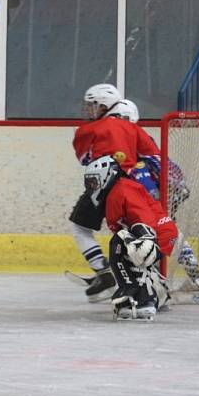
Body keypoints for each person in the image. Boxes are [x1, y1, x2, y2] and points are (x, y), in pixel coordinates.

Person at [68, 84, 161, 302]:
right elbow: (154, 157)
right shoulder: (134, 129)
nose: (89, 110)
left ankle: (103, 271)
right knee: (134, 234)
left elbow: (85, 160)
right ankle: (152, 283)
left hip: (99, 187)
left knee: (81, 228)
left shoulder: (87, 130)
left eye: (93, 105)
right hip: (129, 189)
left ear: (104, 106)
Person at [108, 99, 199, 290]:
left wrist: (176, 190)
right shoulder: (119, 148)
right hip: (136, 204)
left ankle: (193, 275)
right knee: (150, 241)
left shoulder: (143, 146)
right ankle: (154, 282)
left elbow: (166, 167)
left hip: (150, 203)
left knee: (163, 236)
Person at [83, 154, 179, 321]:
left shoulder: (124, 189)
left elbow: (142, 216)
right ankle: (157, 290)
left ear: (108, 175)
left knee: (122, 246)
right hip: (156, 233)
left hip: (159, 233)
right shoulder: (114, 192)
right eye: (89, 183)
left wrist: (146, 238)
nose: (92, 187)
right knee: (120, 246)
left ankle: (145, 300)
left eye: (94, 181)